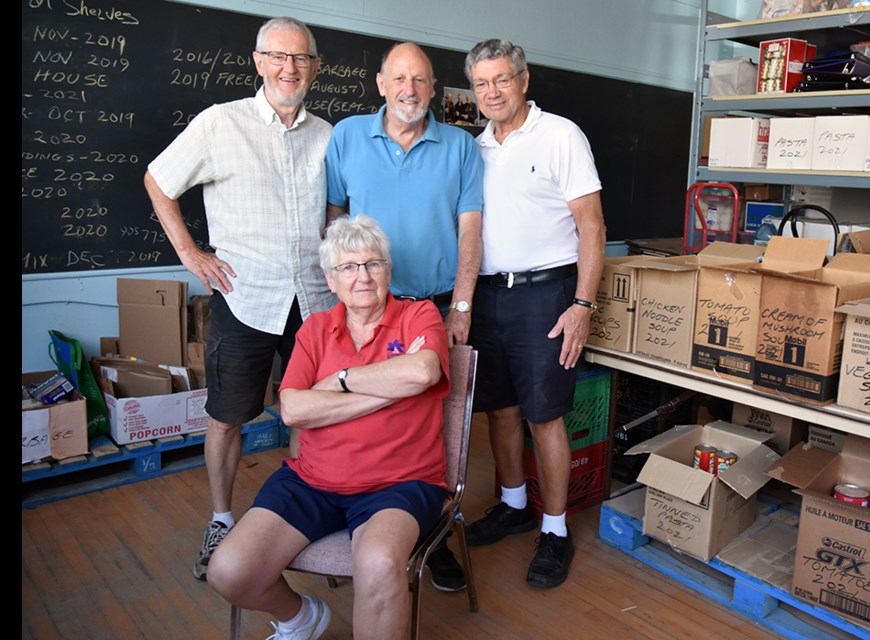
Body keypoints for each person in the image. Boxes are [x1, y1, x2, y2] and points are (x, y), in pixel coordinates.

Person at [143, 16, 336, 582]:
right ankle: (223, 519)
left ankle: (311, 514)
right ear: (258, 62)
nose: (290, 68)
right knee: (227, 419)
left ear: (316, 68)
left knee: (311, 416)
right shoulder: (218, 124)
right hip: (245, 298)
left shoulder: (329, 135)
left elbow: (339, 211)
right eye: (278, 56)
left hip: (316, 302)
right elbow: (159, 181)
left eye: (301, 59)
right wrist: (191, 254)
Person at [207, 214, 450, 640]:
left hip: (400, 482)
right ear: (330, 279)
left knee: (378, 562)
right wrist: (388, 387)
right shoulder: (316, 329)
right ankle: (301, 618)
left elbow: (423, 373)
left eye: (373, 264)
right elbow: (294, 409)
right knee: (229, 571)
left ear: (388, 271)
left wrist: (339, 381)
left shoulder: (419, 314)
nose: (363, 277)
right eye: (348, 267)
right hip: (311, 479)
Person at [324, 41, 483, 591]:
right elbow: (335, 224)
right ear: (381, 83)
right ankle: (364, 526)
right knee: (366, 417)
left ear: (434, 89)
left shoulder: (461, 145)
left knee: (439, 430)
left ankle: (432, 535)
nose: (410, 89)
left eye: (420, 80)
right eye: (400, 78)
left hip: (434, 306)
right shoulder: (346, 137)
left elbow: (470, 231)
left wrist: (461, 305)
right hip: (367, 306)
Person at [462, 39, 606, 589]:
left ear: (524, 80)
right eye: (481, 84)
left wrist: (582, 306)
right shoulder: (475, 148)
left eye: (501, 79)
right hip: (489, 296)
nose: (492, 92)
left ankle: (554, 530)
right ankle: (515, 505)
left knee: (543, 416)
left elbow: (592, 228)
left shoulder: (561, 135)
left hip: (547, 296)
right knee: (499, 410)